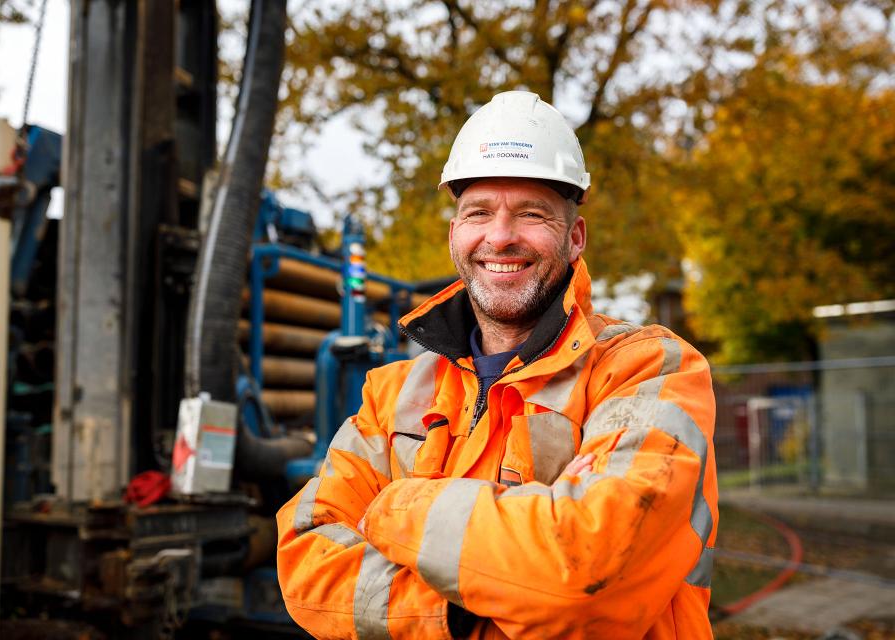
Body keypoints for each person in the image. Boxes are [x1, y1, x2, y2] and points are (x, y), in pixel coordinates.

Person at [276, 91, 717, 639]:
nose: (500, 236)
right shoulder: (391, 394)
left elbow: (583, 571)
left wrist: (391, 508)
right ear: (455, 235)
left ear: (575, 238)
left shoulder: (648, 370)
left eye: (531, 214)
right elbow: (304, 561)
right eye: (478, 212)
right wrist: (463, 612)